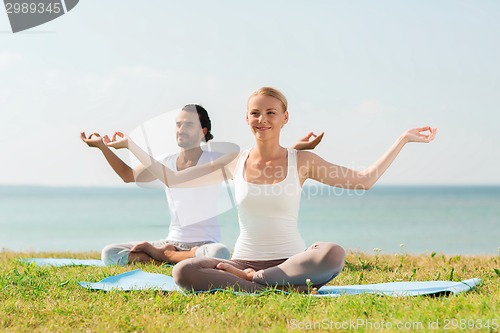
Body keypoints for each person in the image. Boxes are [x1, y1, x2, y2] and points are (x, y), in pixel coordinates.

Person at [105, 87, 437, 291]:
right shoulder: (234, 161)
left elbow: (364, 180)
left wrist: (402, 140)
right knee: (183, 272)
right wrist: (131, 145)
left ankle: (260, 283)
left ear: (284, 118)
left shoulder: (302, 160)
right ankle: (266, 284)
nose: (262, 118)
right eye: (255, 113)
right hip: (241, 260)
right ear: (246, 119)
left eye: (270, 112)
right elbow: (173, 178)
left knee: (332, 252)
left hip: (290, 261)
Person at [81, 104, 323, 266]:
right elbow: (127, 175)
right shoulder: (165, 160)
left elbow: (259, 161)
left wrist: (296, 150)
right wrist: (102, 147)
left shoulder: (214, 160)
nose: (180, 129)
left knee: (220, 254)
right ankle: (168, 255)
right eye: (178, 124)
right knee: (110, 254)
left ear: (202, 131)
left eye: (188, 125)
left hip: (204, 246)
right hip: (172, 241)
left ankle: (164, 257)